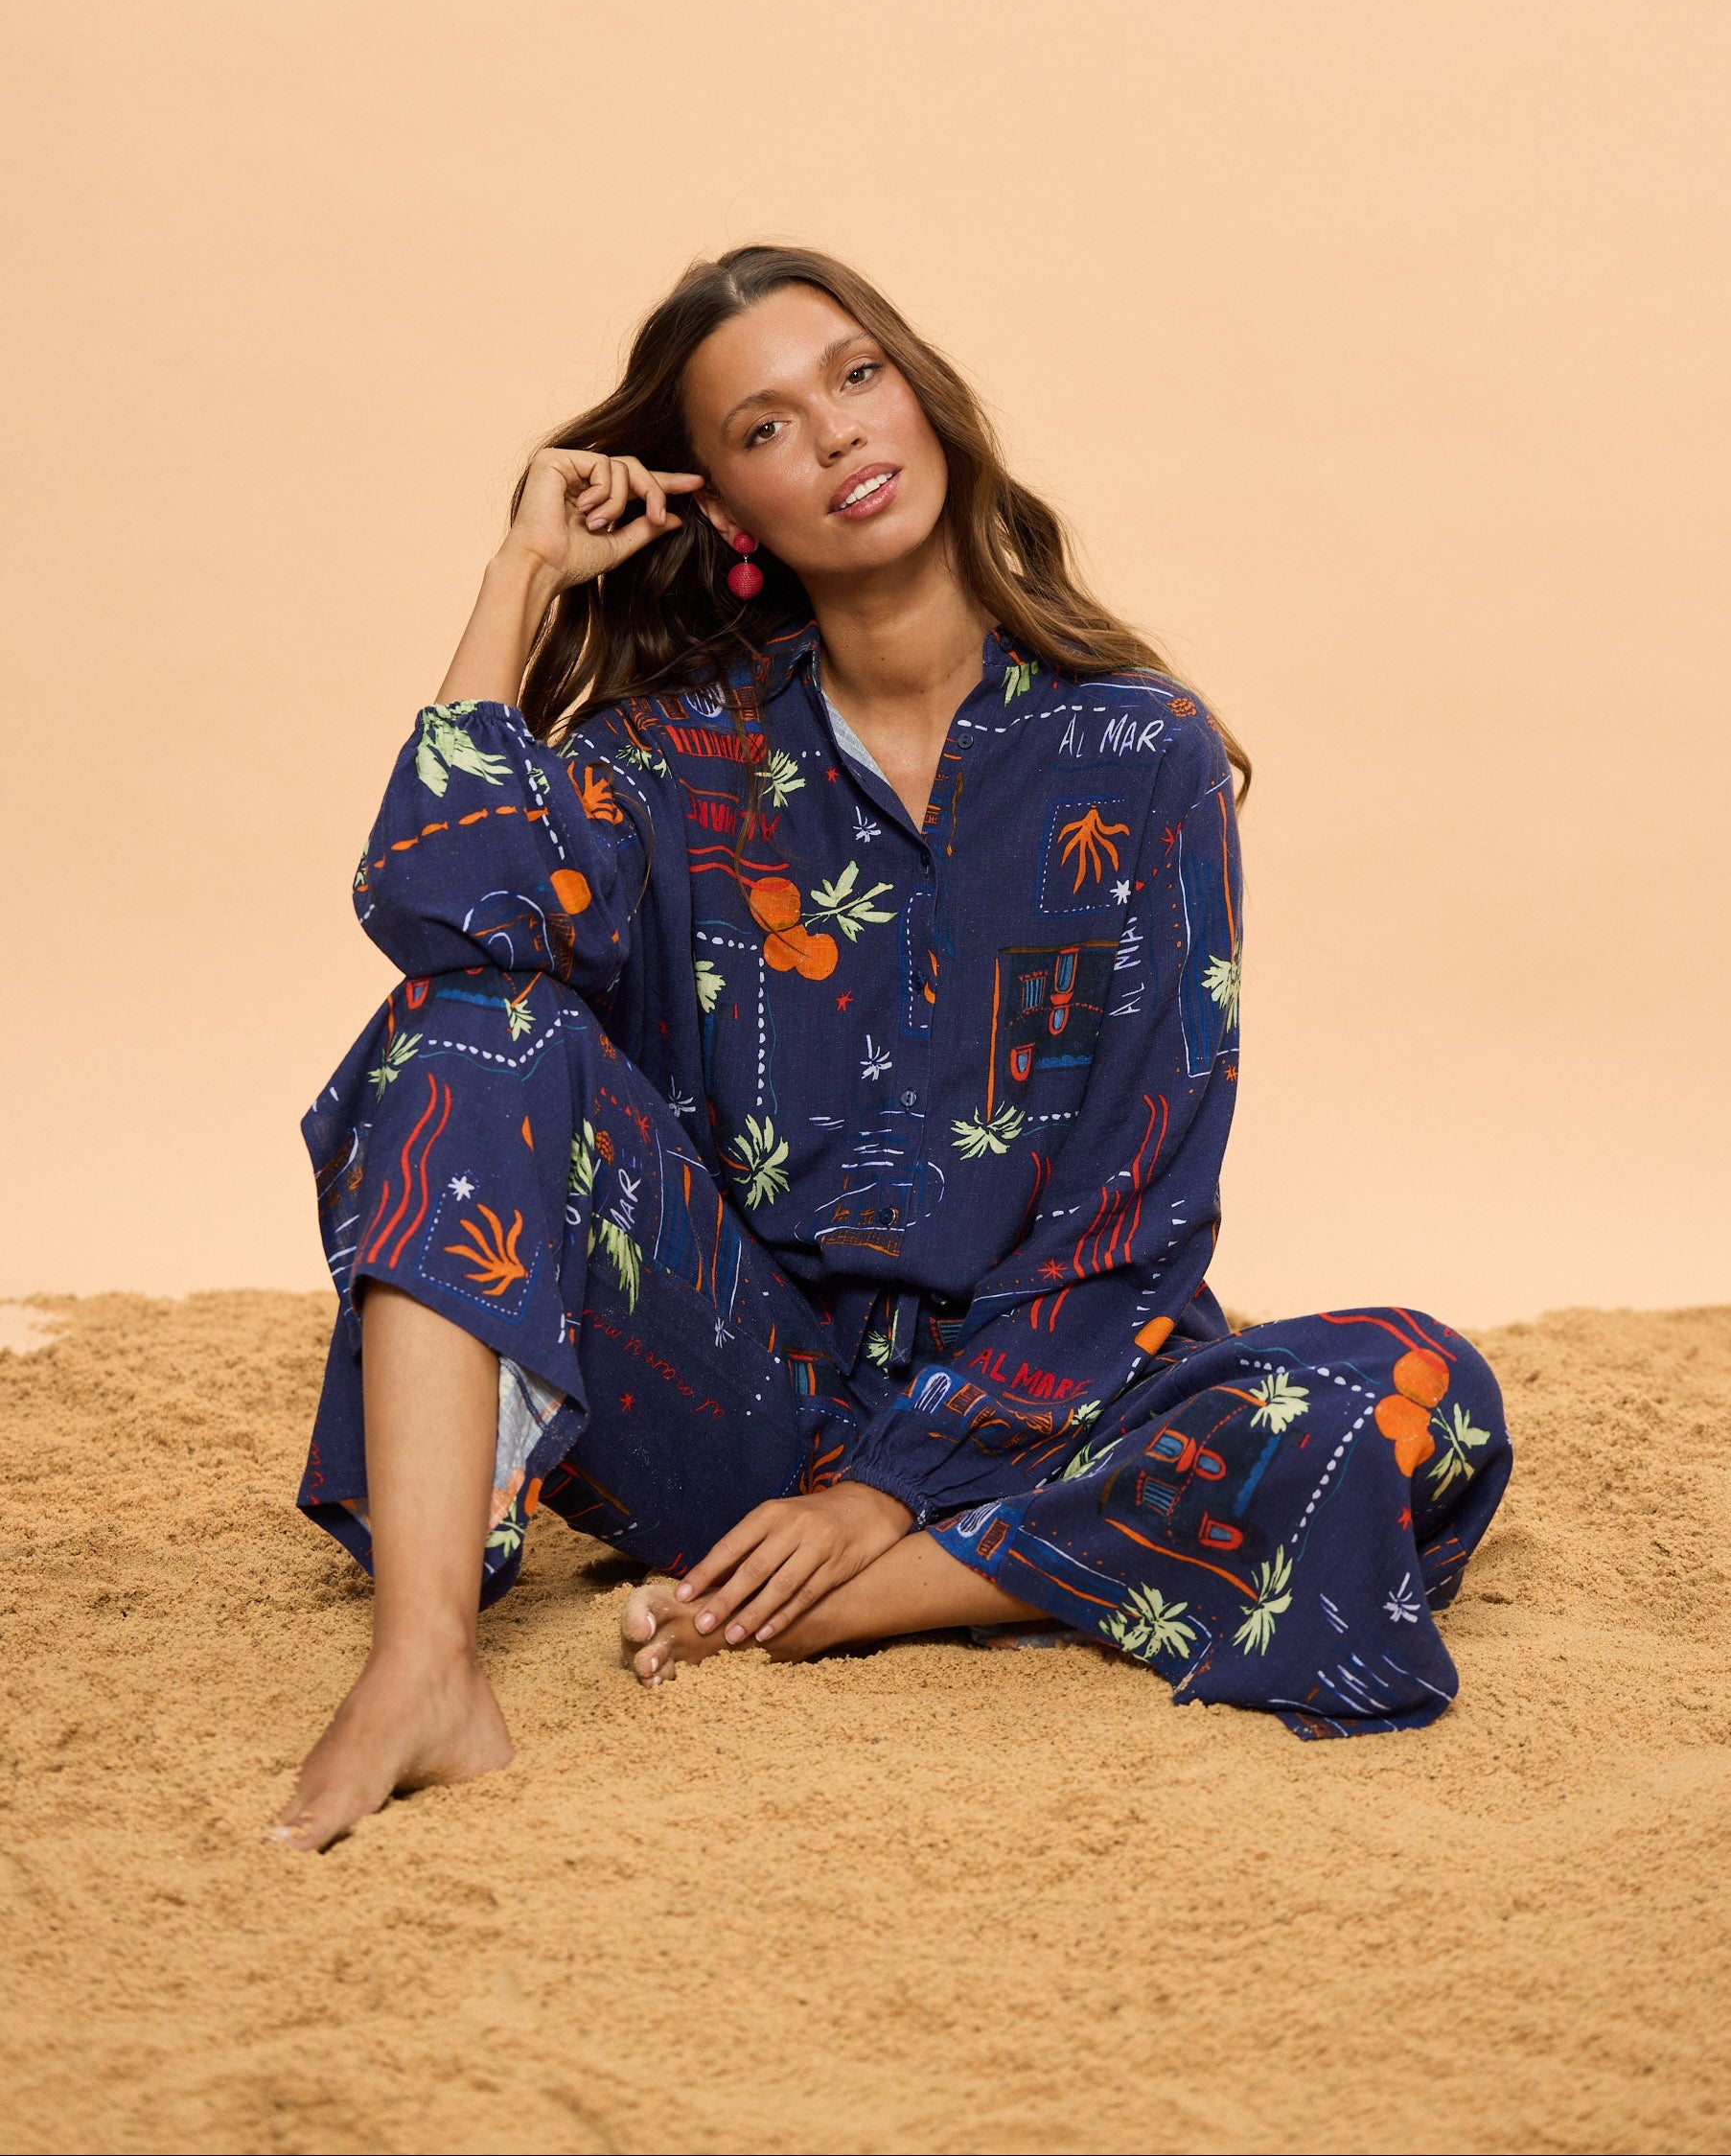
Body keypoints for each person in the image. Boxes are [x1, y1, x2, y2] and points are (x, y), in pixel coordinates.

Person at [272, 244, 1512, 1851]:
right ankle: (425, 1666)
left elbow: (1135, 1211)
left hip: (1041, 1409)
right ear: (723, 506)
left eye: (856, 377)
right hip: (738, 1397)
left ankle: (831, 1603)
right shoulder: (676, 752)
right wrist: (516, 575)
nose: (840, 433)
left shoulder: (1140, 752)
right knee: (471, 1026)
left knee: (1419, 1388)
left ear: (922, 396)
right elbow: (446, 913)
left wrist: (877, 1491)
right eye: (767, 425)